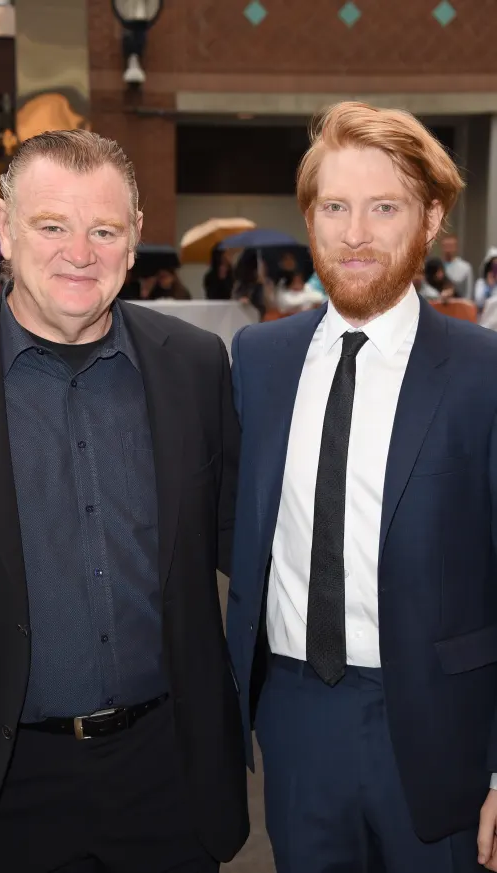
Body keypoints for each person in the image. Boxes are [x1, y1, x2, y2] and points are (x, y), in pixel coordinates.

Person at [0, 130, 248, 873]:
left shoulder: (194, 368)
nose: (81, 251)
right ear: (4, 228)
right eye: (52, 225)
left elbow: (245, 544)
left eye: (104, 229)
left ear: (132, 243)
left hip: (167, 778)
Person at [227, 100, 497, 873]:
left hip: (442, 730)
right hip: (294, 717)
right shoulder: (260, 359)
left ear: (432, 217)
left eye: (384, 208)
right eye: (335, 207)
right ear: (309, 218)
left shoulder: (484, 373)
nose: (355, 233)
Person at [442, 233, 474, 299]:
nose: (448, 249)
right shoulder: (436, 267)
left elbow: (469, 292)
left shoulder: (465, 268)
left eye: (450, 246)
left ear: (456, 247)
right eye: (446, 246)